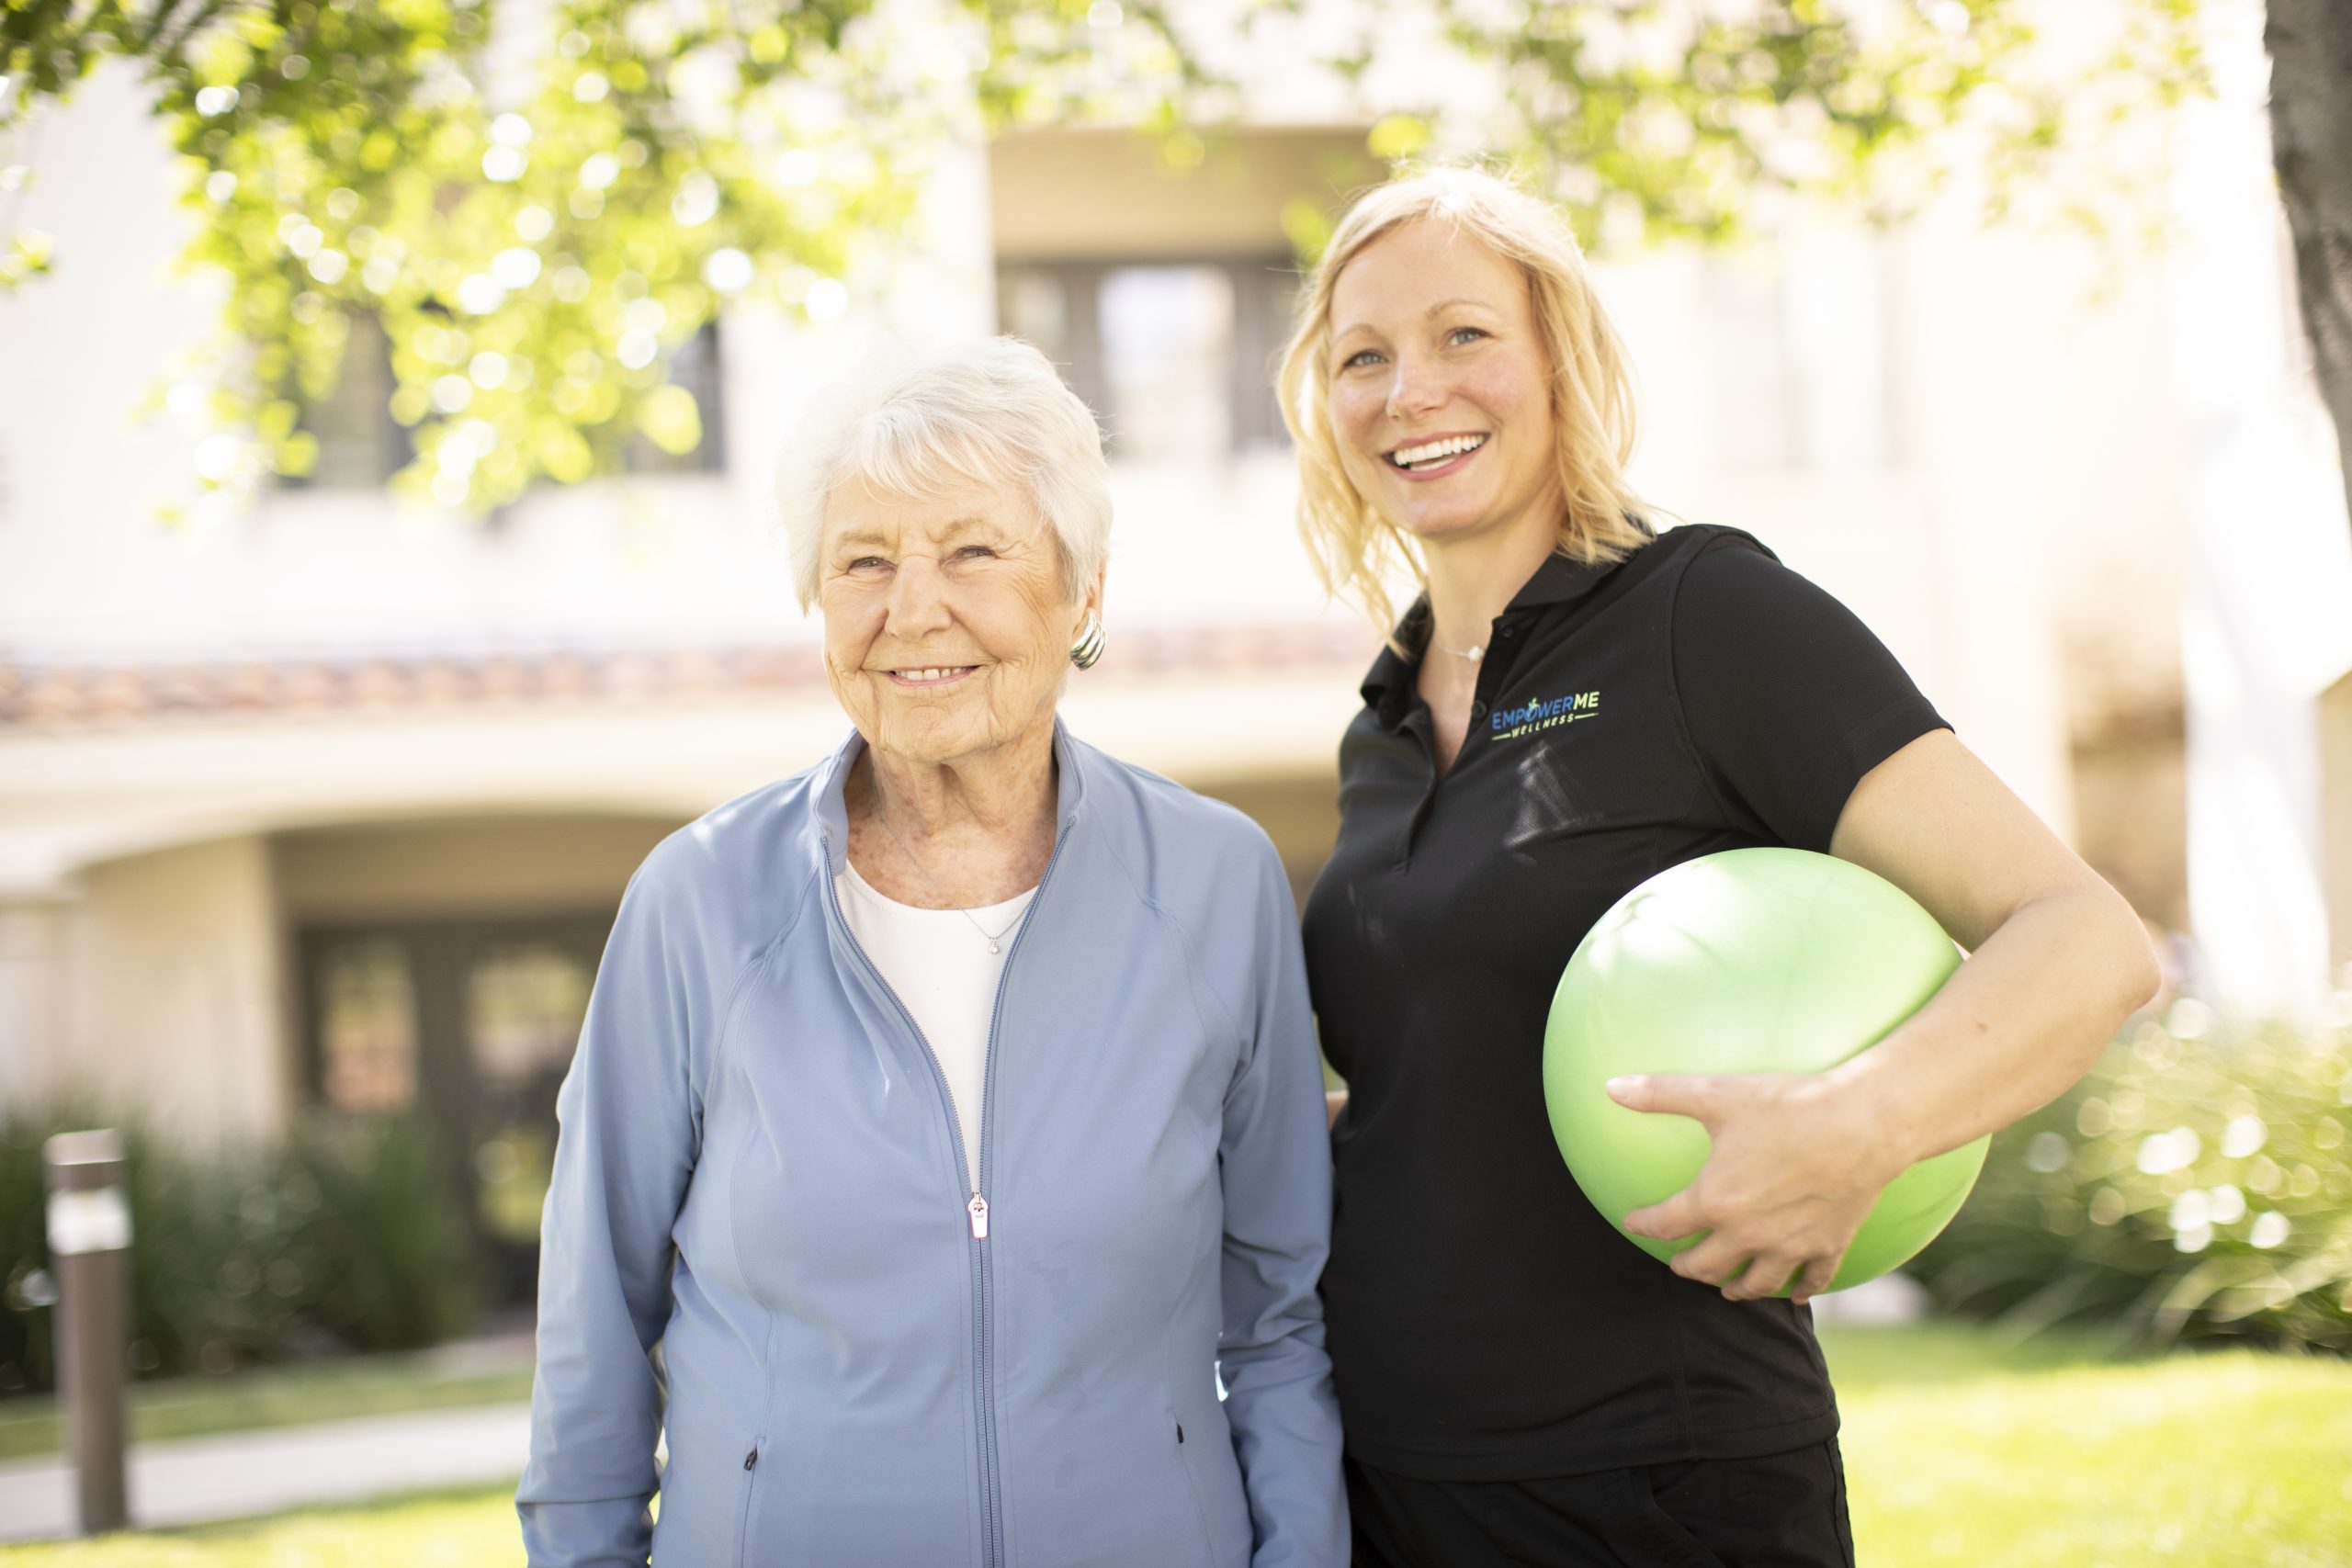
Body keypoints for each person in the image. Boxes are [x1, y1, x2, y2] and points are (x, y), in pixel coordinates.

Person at [1278, 167, 2160, 1567]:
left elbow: (2086, 939)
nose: (1410, 391)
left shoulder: (1707, 616)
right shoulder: (1380, 721)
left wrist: (1867, 1123)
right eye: (1362, 358)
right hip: (1385, 1478)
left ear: (1558, 359)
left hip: (1660, 1488)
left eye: (1463, 335)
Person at [518, 337, 1347, 1567]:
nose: (914, 610)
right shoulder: (696, 903)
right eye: (864, 561)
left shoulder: (1217, 885)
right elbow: (592, 1335)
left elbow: (1277, 1322)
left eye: (971, 550)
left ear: (1084, 595)